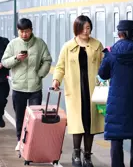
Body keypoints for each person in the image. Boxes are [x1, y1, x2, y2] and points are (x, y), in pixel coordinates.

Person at [98, 20, 133, 167]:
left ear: (119, 34)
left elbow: (103, 74)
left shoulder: (110, 53)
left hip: (116, 103)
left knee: (116, 138)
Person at [52, 15, 104, 167]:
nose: (86, 31)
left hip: (92, 90)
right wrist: (56, 80)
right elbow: (60, 66)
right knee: (77, 123)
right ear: (77, 29)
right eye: (83, 28)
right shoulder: (68, 47)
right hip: (75, 90)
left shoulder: (97, 45)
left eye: (88, 28)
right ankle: (76, 154)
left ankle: (87, 156)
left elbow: (104, 65)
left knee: (90, 124)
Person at [1, 18, 52, 150]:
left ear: (31, 30)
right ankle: (20, 140)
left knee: (35, 117)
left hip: (35, 87)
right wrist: (16, 58)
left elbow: (47, 60)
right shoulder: (13, 44)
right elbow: (5, 62)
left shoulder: (40, 43)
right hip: (18, 87)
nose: (24, 34)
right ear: (18, 31)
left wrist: (40, 74)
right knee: (20, 116)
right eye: (21, 32)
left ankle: (33, 142)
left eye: (27, 31)